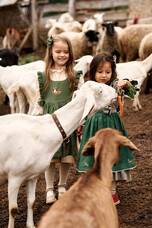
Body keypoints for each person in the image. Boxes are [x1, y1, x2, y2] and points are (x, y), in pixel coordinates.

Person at [76, 52, 137, 205]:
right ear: (93, 72)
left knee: (111, 157)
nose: (104, 75)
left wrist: (125, 84)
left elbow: (131, 91)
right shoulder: (89, 87)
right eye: (100, 71)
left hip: (111, 125)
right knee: (94, 157)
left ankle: (112, 192)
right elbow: (83, 108)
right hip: (93, 127)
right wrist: (81, 124)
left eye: (107, 72)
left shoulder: (115, 85)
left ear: (113, 72)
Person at [33, 35, 84, 204]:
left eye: (66, 52)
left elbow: (80, 101)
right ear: (51, 52)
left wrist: (80, 122)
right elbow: (39, 100)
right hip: (50, 121)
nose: (62, 55)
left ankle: (62, 186)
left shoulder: (75, 76)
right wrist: (37, 118)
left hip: (68, 122)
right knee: (51, 157)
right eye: (58, 52)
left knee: (66, 156)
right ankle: (49, 189)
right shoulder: (43, 76)